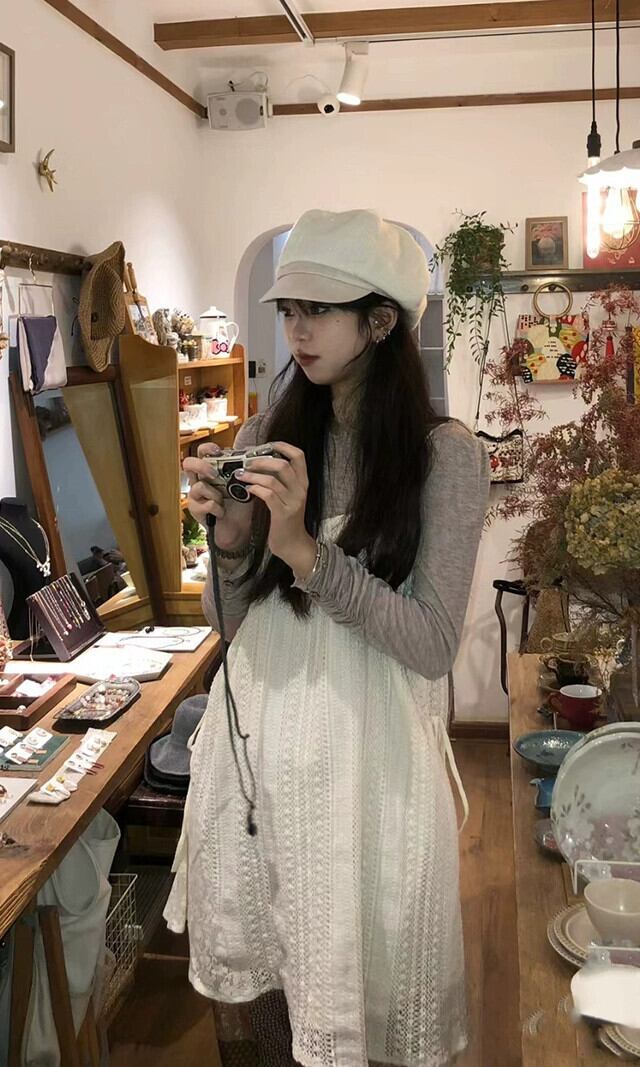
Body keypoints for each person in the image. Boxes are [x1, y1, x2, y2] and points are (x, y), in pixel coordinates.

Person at [164, 209, 490, 1067]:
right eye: (288, 309)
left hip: (370, 769)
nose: (297, 329)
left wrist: (306, 551)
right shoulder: (263, 441)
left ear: (380, 321)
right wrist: (232, 542)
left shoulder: (443, 457)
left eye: (319, 309)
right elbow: (231, 625)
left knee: (364, 979)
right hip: (258, 760)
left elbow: (429, 643)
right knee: (266, 989)